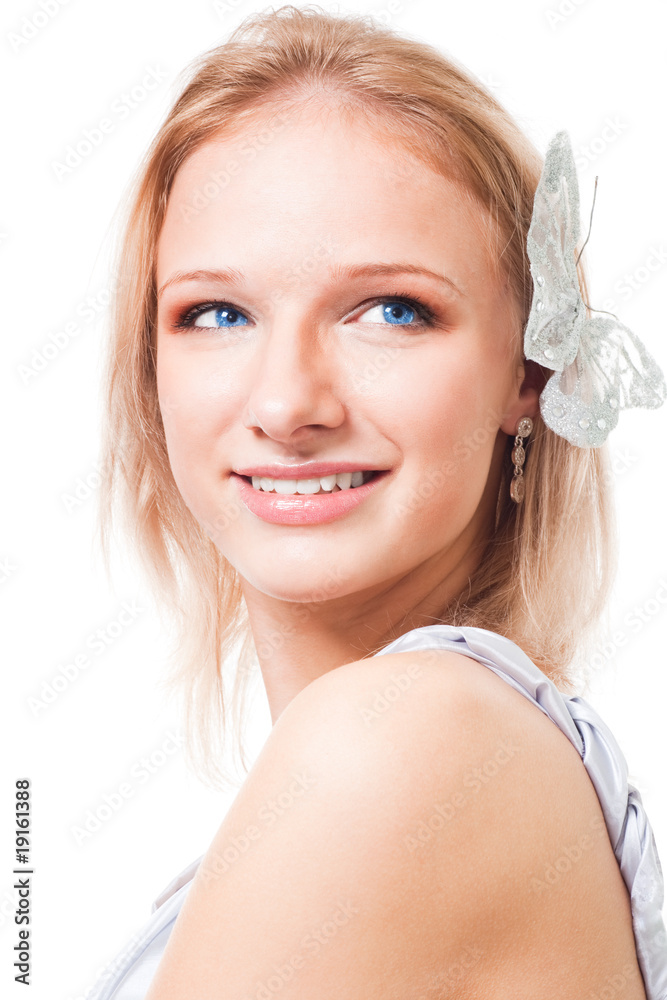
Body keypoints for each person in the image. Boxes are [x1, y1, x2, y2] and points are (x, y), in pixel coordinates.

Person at [89, 5, 667, 998]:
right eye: (215, 313)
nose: (285, 403)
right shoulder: (469, 754)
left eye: (390, 310)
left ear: (527, 368)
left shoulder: (406, 743)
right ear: (152, 369)